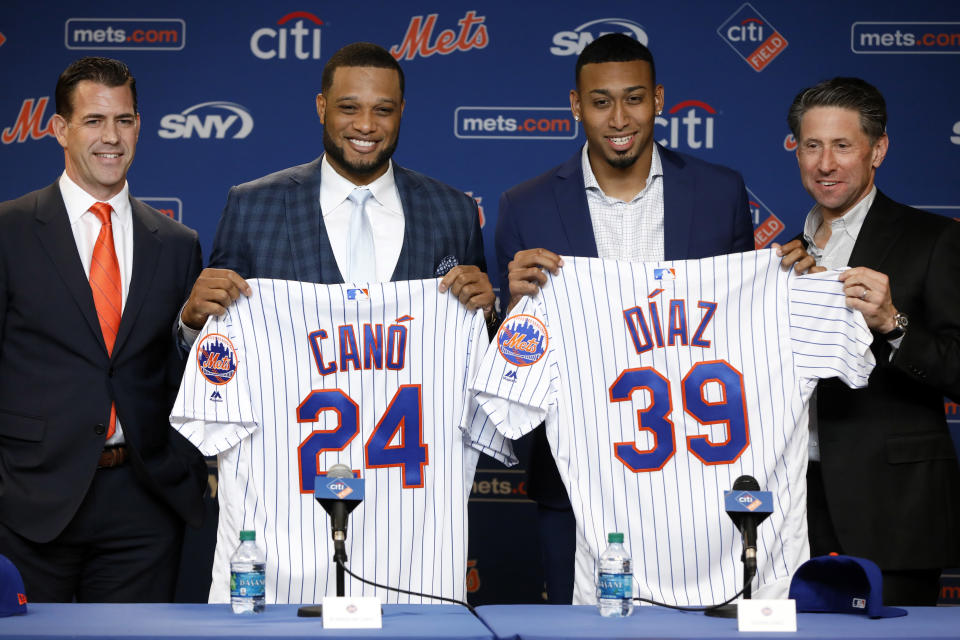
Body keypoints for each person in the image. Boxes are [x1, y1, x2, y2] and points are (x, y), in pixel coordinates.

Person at [174, 42, 510, 605]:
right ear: (321, 107)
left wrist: (488, 315)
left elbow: (474, 363)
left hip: (409, 521)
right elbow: (216, 357)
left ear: (401, 112)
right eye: (350, 107)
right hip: (287, 517)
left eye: (383, 109)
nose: (366, 125)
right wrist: (191, 323)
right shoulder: (253, 206)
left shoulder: (451, 211)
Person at [496, 33, 811, 604]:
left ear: (660, 99)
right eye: (600, 101)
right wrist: (512, 306)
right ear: (575, 105)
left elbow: (739, 328)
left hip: (700, 476)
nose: (619, 118)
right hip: (578, 484)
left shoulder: (719, 192)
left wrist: (789, 285)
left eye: (634, 98)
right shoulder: (527, 204)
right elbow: (515, 353)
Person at [0, 57, 208, 602]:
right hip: (28, 500)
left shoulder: (177, 242)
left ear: (139, 126)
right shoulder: (9, 230)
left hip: (143, 503)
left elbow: (181, 372)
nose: (111, 137)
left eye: (124, 120)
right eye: (94, 121)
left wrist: (178, 471)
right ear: (59, 129)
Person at [788, 76, 960, 606]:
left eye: (843, 145)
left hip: (894, 510)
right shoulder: (782, 255)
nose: (825, 163)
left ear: (877, 150)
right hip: (796, 507)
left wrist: (893, 323)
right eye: (812, 145)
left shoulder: (933, 239)